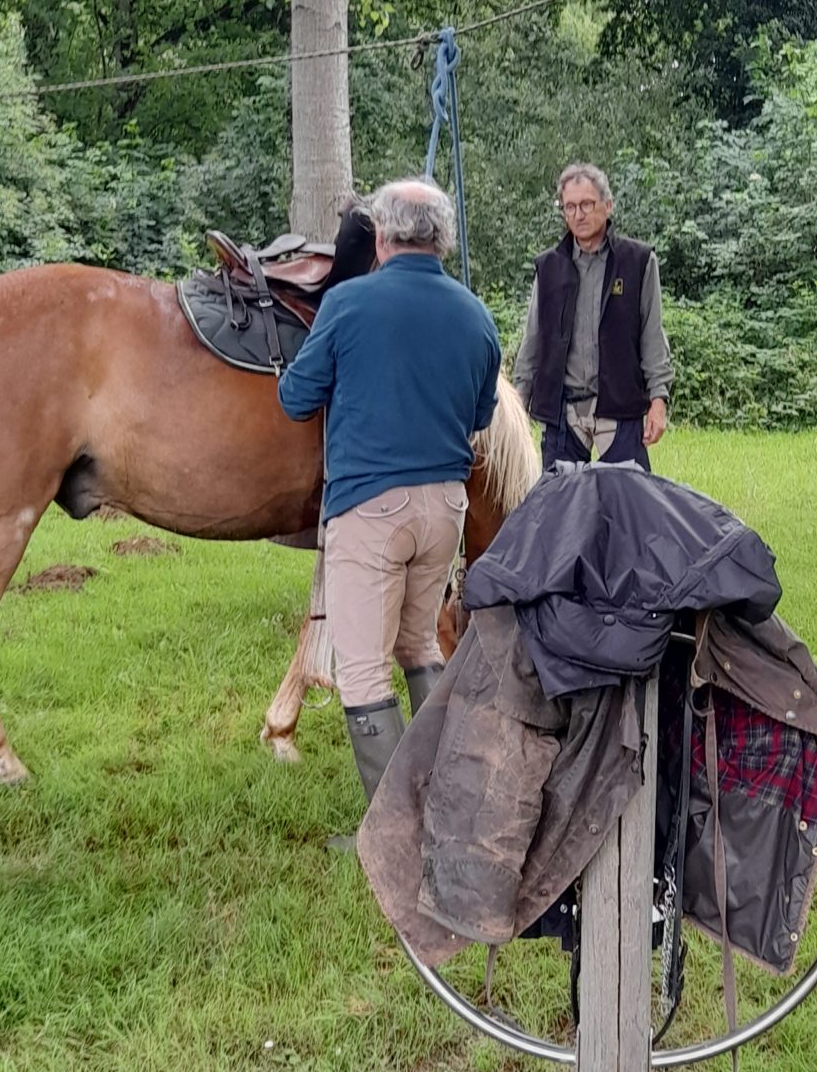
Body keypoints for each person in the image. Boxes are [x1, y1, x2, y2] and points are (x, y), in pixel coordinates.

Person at [277, 176, 502, 823]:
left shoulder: (348, 303)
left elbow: (296, 399)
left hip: (370, 507)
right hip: (446, 509)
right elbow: (481, 414)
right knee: (420, 646)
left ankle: (393, 830)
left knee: (363, 671)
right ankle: (443, 804)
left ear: (380, 236)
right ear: (443, 239)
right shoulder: (476, 315)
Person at [511, 165, 673, 469]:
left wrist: (658, 399)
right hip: (563, 410)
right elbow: (533, 340)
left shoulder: (637, 261)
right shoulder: (548, 267)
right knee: (559, 497)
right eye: (570, 207)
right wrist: (518, 403)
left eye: (587, 204)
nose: (578, 214)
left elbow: (652, 335)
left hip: (620, 405)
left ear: (607, 205)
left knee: (627, 496)